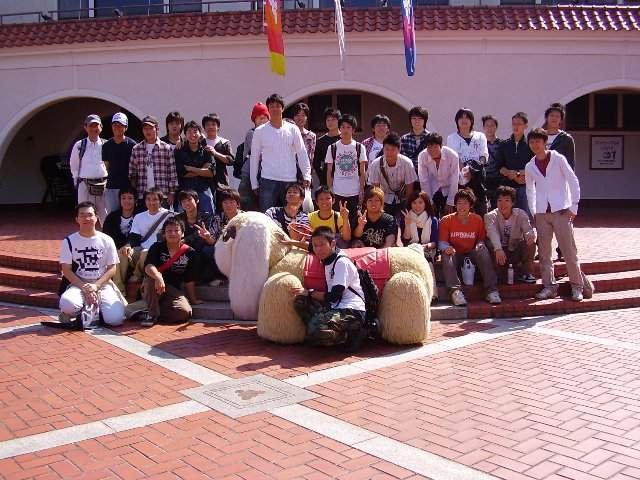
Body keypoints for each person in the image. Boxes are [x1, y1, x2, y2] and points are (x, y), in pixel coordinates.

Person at [526, 128, 586, 301]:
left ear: (545, 142)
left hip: (561, 211)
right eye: (532, 142)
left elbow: (572, 179)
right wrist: (534, 212)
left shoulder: (558, 159)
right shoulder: (530, 166)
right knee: (544, 253)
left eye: (538, 141)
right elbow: (530, 190)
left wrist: (574, 206)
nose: (535, 145)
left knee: (569, 251)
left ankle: (577, 286)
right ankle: (549, 286)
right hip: (542, 214)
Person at [290, 226, 367, 350]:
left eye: (322, 245)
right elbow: (310, 247)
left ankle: (351, 336)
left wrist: (310, 292)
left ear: (332, 244)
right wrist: (289, 241)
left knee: (314, 331)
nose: (318, 249)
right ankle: (326, 330)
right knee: (300, 301)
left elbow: (334, 296)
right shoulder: (327, 256)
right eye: (315, 245)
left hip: (352, 311)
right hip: (335, 306)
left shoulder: (341, 263)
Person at [58, 201, 125, 327]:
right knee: (67, 304)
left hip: (102, 284)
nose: (86, 218)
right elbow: (66, 270)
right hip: (78, 284)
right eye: (82, 215)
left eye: (90, 215)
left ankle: (96, 310)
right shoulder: (69, 241)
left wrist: (96, 286)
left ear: (96, 217)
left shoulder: (107, 240)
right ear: (77, 219)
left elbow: (112, 268)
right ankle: (80, 310)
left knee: (115, 319)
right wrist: (85, 288)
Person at [439, 189, 501, 306]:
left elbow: (481, 239)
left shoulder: (477, 219)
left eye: (465, 203)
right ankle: (455, 292)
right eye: (459, 203)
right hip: (455, 253)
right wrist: (447, 248)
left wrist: (480, 244)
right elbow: (442, 243)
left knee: (483, 250)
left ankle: (491, 290)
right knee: (446, 254)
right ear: (455, 205)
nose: (462, 206)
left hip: (472, 252)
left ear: (470, 205)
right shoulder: (446, 220)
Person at [250, 93, 311, 211]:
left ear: (282, 108)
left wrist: (307, 175)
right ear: (268, 109)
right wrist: (254, 183)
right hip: (267, 179)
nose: (275, 109)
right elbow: (254, 157)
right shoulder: (260, 131)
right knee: (267, 216)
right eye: (272, 106)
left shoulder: (293, 129)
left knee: (291, 214)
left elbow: (302, 153)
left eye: (278, 106)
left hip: (289, 179)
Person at [140, 216, 201, 327]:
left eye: (176, 230)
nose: (172, 233)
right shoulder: (157, 247)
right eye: (169, 230)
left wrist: (193, 299)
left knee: (184, 312)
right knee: (151, 279)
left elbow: (189, 279)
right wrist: (158, 277)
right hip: (153, 286)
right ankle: (151, 315)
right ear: (164, 234)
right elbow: (148, 266)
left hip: (173, 289)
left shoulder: (190, 252)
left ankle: (151, 312)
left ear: (182, 233)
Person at [119, 188, 173, 287]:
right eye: (148, 199)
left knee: (145, 253)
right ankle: (118, 286)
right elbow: (134, 236)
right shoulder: (139, 217)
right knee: (122, 252)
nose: (151, 202)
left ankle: (136, 275)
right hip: (141, 248)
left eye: (155, 199)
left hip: (159, 251)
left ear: (161, 201)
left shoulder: (169, 216)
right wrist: (128, 245)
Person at [484, 186, 536, 284]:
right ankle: (497, 273)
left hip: (514, 249)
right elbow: (492, 233)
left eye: (507, 200)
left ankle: (526, 273)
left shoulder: (521, 214)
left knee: (530, 244)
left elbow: (528, 229)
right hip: (499, 250)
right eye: (500, 200)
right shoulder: (490, 216)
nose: (503, 204)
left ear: (513, 203)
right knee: (489, 244)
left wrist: (530, 236)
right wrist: (498, 249)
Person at [325, 114, 367, 228]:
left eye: (348, 127)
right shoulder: (332, 148)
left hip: (354, 192)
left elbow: (362, 171)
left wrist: (361, 190)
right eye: (343, 127)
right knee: (338, 222)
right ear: (339, 129)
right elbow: (329, 171)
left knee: (354, 222)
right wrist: (330, 190)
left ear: (353, 130)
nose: (345, 130)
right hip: (338, 191)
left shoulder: (359, 147)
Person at [447, 108, 490, 217]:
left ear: (472, 120)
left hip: (478, 175)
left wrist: (474, 169)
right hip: (461, 177)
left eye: (467, 117)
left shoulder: (480, 136)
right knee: (462, 206)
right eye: (461, 117)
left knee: (480, 208)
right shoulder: (451, 138)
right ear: (456, 121)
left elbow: (484, 155)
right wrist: (465, 170)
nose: (464, 120)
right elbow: (453, 157)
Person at [129, 115, 178, 209]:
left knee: (163, 218)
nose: (148, 131)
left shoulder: (166, 148)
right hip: (142, 195)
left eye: (150, 128)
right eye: (145, 128)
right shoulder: (136, 149)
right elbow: (132, 173)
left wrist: (172, 193)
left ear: (157, 129)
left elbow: (172, 172)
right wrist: (134, 193)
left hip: (162, 195)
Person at [399, 191, 439, 302]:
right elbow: (405, 240)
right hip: (410, 249)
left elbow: (435, 242)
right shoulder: (406, 217)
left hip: (428, 250)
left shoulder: (433, 220)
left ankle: (433, 294)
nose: (417, 206)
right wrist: (407, 224)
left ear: (426, 203)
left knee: (427, 260)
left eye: (420, 202)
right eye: (414, 203)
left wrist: (424, 247)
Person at [367, 132, 417, 219]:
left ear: (399, 149)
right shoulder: (375, 164)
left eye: (393, 149)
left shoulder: (407, 163)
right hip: (383, 199)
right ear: (383, 149)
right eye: (387, 149)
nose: (389, 152)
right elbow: (375, 190)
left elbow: (410, 188)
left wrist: (407, 207)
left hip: (402, 199)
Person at [69, 114, 108, 225]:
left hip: (103, 185)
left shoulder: (106, 144)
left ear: (101, 127)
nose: (94, 128)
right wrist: (77, 182)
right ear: (85, 128)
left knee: (104, 214)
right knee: (85, 214)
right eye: (91, 126)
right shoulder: (79, 145)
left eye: (96, 125)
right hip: (85, 185)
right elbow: (74, 165)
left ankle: (106, 235)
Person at [102, 186, 142, 292]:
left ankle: (118, 288)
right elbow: (106, 237)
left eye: (130, 198)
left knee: (123, 253)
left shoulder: (141, 216)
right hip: (116, 249)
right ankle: (119, 289)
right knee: (120, 253)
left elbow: (139, 236)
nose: (126, 201)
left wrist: (128, 245)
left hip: (134, 249)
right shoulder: (112, 217)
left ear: (135, 200)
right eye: (123, 198)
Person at [496, 112, 534, 218]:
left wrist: (518, 173)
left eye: (519, 124)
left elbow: (534, 166)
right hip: (507, 187)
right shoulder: (504, 144)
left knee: (524, 217)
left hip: (524, 187)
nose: (516, 126)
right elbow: (499, 166)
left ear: (525, 126)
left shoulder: (530, 145)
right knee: (507, 218)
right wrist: (510, 174)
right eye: (514, 124)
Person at [174, 120, 215, 214]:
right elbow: (181, 173)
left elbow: (210, 172)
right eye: (189, 132)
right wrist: (202, 171)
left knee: (207, 215)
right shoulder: (179, 150)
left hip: (203, 188)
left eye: (195, 131)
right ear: (185, 135)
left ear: (200, 134)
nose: (192, 135)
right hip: (185, 189)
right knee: (182, 217)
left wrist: (191, 168)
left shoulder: (207, 151)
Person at [417, 132, 459, 219]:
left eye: (435, 146)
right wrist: (429, 202)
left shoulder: (452, 155)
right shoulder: (422, 156)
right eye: (429, 147)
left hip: (449, 189)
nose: (432, 150)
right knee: (431, 217)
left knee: (449, 217)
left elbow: (454, 179)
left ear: (441, 146)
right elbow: (424, 181)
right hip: (432, 189)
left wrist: (450, 202)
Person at [103, 112, 136, 213]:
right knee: (112, 214)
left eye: (121, 125)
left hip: (127, 187)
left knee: (128, 213)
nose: (117, 128)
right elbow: (106, 166)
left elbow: (135, 167)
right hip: (111, 187)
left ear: (126, 127)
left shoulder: (132, 145)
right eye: (115, 125)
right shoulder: (106, 146)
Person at [238, 103, 269, 211]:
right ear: (254, 120)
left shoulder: (270, 133)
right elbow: (258, 153)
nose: (262, 120)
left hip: (264, 173)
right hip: (249, 173)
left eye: (264, 117)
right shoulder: (252, 133)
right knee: (247, 203)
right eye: (259, 118)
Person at [202, 113, 234, 211]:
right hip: (204, 182)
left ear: (218, 127)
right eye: (208, 124)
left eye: (213, 124)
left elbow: (230, 161)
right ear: (204, 127)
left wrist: (215, 153)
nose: (211, 127)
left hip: (221, 181)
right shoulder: (201, 142)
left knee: (223, 208)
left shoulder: (224, 142)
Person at [313, 107, 341, 187]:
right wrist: (323, 179)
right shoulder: (320, 141)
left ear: (339, 121)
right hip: (326, 181)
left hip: (344, 179)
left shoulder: (345, 139)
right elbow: (316, 164)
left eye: (333, 120)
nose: (330, 122)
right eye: (328, 120)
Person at [544, 103, 575, 169]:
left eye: (557, 116)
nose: (554, 118)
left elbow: (570, 163)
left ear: (561, 120)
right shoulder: (539, 136)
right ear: (546, 118)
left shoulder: (566, 139)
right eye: (552, 115)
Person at [292, 102, 317, 185]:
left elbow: (311, 157)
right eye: (297, 115)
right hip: (290, 173)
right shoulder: (289, 134)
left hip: (305, 175)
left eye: (303, 115)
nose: (300, 118)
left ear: (307, 117)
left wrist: (308, 175)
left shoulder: (311, 136)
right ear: (294, 117)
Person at [400, 106, 430, 174]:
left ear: (425, 120)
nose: (417, 121)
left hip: (427, 176)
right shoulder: (404, 139)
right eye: (414, 118)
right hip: (409, 176)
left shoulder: (431, 138)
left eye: (420, 118)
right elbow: (402, 159)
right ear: (410, 120)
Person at [482, 115, 502, 210]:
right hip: (483, 181)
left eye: (492, 125)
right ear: (483, 127)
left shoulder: (502, 144)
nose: (489, 128)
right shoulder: (480, 145)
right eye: (487, 125)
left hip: (498, 181)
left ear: (496, 127)